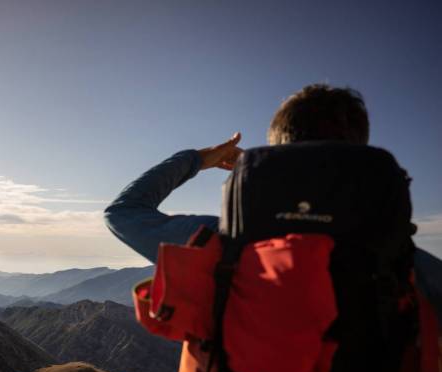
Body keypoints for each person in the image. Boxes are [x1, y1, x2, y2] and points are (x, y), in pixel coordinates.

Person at [104, 83, 442, 313]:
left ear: (279, 157)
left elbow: (123, 212)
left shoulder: (229, 243)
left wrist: (197, 159)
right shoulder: (411, 266)